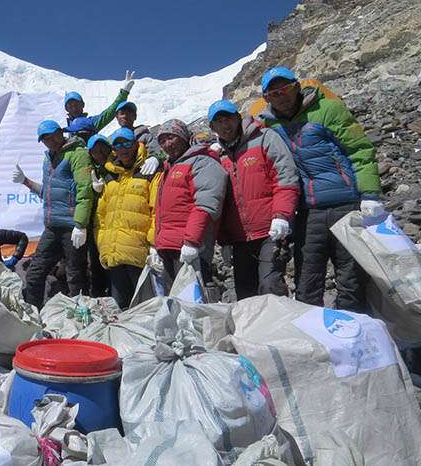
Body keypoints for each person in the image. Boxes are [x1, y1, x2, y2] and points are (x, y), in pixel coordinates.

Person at [257, 67, 382, 311]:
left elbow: (360, 150)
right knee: (307, 277)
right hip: (308, 211)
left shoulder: (328, 109)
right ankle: (313, 336)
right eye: (273, 94)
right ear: (267, 99)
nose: (280, 97)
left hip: (346, 204)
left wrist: (369, 194)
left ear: (297, 87)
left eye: (285, 89)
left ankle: (352, 332)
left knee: (350, 276)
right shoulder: (270, 127)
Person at [208, 99, 300, 300]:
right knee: (246, 296)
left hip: (271, 230)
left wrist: (282, 215)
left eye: (229, 118)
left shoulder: (265, 138)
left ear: (238, 118)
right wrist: (223, 240)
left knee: (270, 286)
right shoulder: (218, 157)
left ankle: (280, 330)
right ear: (212, 127)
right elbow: (220, 202)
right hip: (240, 239)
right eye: (219, 121)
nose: (225, 125)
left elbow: (285, 177)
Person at [12, 120, 94, 308]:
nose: (49, 141)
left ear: (60, 132)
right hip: (52, 226)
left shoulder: (77, 154)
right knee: (34, 274)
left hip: (72, 227)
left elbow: (85, 191)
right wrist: (25, 181)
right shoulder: (48, 158)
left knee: (76, 276)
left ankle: (81, 319)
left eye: (51, 135)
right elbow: (48, 193)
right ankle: (34, 314)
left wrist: (80, 225)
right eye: (44, 138)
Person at [154, 119, 227, 293]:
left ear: (184, 137)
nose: (167, 144)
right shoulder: (170, 167)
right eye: (162, 140)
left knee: (194, 304)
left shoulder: (202, 162)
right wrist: (157, 243)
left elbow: (206, 204)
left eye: (171, 137)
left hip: (190, 248)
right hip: (168, 247)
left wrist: (192, 241)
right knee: (177, 306)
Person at [94, 128, 158, 309]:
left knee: (145, 309)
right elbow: (101, 216)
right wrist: (103, 246)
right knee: (121, 308)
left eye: (127, 143)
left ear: (136, 145)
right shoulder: (110, 176)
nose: (123, 149)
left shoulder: (149, 172)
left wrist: (153, 244)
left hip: (139, 254)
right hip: (114, 254)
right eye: (118, 145)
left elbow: (156, 210)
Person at [63, 70, 135, 131]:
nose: (74, 108)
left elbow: (109, 113)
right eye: (70, 106)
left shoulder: (91, 123)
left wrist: (124, 93)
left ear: (83, 105)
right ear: (66, 109)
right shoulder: (62, 126)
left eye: (77, 105)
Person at [86, 134, 113, 297]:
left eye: (103, 149)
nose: (100, 153)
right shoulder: (91, 172)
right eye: (95, 151)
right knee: (96, 264)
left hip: (114, 225)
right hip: (97, 226)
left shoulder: (118, 166)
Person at [114, 100, 161, 174]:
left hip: (143, 173)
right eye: (122, 113)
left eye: (129, 113)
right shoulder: (113, 138)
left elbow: (157, 150)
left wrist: (155, 158)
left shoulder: (145, 136)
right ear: (117, 117)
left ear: (135, 117)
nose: (125, 116)